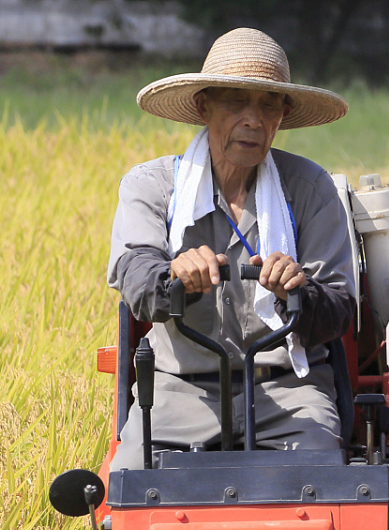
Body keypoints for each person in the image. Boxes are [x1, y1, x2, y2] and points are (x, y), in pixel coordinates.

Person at [106, 29, 355, 468]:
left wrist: (297, 290)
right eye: (235, 102)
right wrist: (175, 280)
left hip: (289, 391)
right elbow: (137, 282)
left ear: (284, 113)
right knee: (131, 486)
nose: (253, 120)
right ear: (204, 107)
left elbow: (339, 310)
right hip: (180, 392)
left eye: (267, 104)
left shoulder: (311, 188)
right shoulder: (153, 187)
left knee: (325, 486)